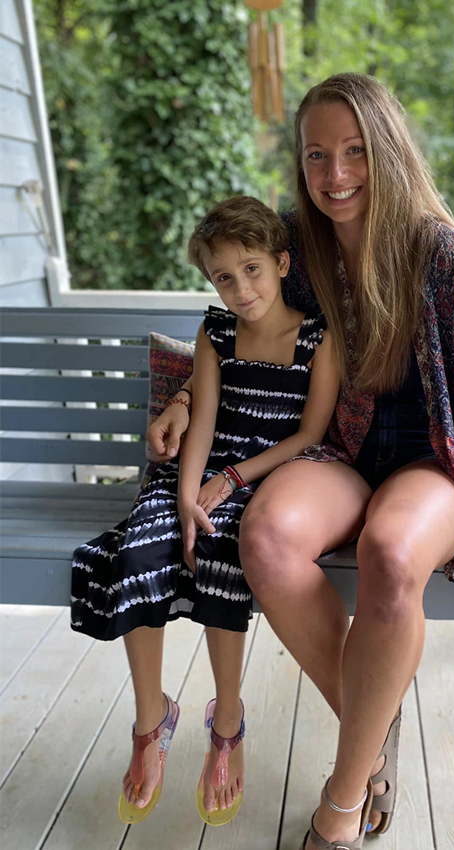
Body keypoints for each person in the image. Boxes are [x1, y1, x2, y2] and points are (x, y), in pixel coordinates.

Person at [148, 74, 454, 850]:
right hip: (340, 447)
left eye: (354, 152)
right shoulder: (295, 242)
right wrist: (185, 399)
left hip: (430, 456)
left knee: (390, 553)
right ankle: (372, 737)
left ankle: (343, 801)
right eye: (318, 155)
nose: (337, 174)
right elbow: (242, 324)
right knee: (265, 536)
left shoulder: (442, 253)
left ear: (386, 150)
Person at [70, 196, 338, 828]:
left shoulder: (316, 336)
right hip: (197, 467)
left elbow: (310, 433)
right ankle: (149, 721)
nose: (241, 289)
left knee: (222, 552)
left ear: (280, 263)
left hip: (264, 472)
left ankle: (227, 720)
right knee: (138, 550)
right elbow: (204, 421)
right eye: (224, 276)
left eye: (252, 270)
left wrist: (231, 480)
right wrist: (188, 497)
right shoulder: (214, 332)